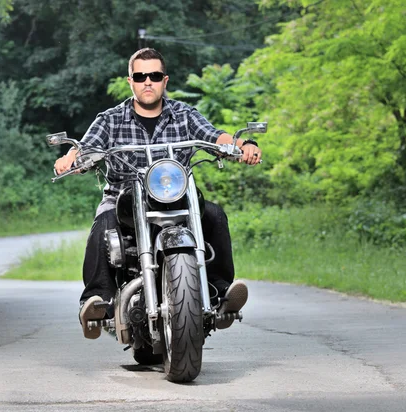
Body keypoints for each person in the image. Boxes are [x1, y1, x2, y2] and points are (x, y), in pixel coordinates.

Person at [54, 48, 263, 339]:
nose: (147, 81)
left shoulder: (184, 114)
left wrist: (241, 145)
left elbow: (216, 135)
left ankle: (220, 292)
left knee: (214, 214)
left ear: (164, 80)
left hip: (176, 198)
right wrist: (72, 158)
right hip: (123, 200)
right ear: (131, 82)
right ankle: (97, 301)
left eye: (154, 75)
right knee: (103, 222)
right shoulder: (111, 119)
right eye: (140, 76)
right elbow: (86, 147)